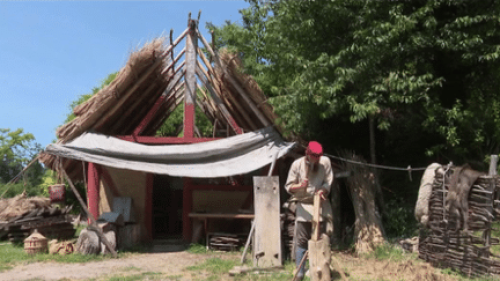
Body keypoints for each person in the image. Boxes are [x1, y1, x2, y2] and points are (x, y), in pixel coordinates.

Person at [285, 141, 333, 280]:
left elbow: (328, 182)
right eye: (315, 157)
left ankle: (322, 271)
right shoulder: (297, 164)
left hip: (321, 205)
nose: (317, 160)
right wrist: (300, 185)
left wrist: (323, 189)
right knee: (301, 240)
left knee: (323, 239)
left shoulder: (325, 162)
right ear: (308, 154)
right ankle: (300, 272)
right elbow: (289, 187)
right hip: (304, 205)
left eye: (319, 157)